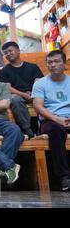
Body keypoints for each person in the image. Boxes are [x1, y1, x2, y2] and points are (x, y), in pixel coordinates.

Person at [32, 50, 70, 191]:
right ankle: (64, 177)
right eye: (49, 62)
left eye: (57, 61)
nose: (53, 65)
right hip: (50, 120)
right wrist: (57, 119)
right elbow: (38, 106)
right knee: (55, 130)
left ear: (64, 64)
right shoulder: (41, 83)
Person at [0, 41, 44, 138]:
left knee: (46, 95)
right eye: (5, 53)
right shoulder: (4, 71)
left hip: (35, 94)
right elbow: (7, 88)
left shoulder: (33, 67)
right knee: (15, 99)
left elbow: (39, 82)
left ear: (18, 51)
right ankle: (28, 130)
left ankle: (43, 126)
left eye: (10, 51)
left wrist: (33, 93)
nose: (8, 54)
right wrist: (24, 94)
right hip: (18, 96)